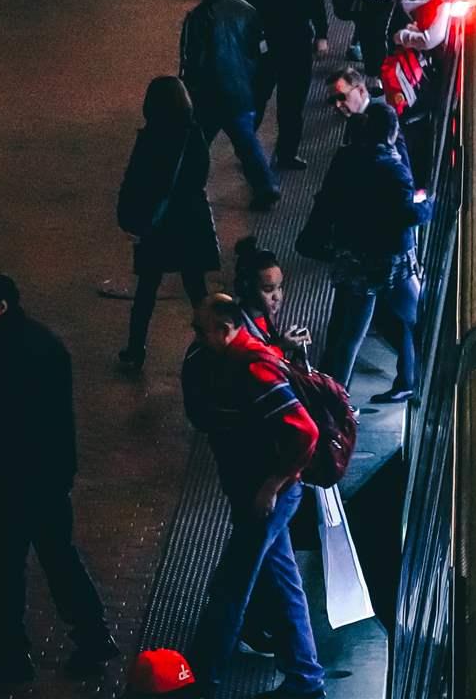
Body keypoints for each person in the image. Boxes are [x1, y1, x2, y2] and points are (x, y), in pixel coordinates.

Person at [0, 272, 119, 684]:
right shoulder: (44, 344)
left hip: (15, 482)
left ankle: (11, 656)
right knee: (60, 559)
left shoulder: (2, 356)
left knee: (5, 569)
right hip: (49, 478)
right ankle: (94, 637)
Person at [183, 275, 327, 697]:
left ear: (225, 329)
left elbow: (306, 433)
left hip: (266, 496)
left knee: (231, 586)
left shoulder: (253, 367)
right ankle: (306, 677)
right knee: (283, 581)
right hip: (253, 491)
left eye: (200, 329)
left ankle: (202, 679)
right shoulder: (230, 359)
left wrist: (270, 487)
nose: (195, 336)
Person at [300, 103, 431, 401]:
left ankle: (336, 396)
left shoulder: (346, 157)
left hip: (352, 257)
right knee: (416, 317)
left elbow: (330, 198)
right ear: (392, 132)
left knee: (348, 334)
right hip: (390, 263)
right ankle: (408, 380)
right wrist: (428, 205)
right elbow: (407, 213)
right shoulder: (392, 168)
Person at [116, 77, 219, 371]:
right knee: (196, 288)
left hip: (158, 224)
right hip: (190, 221)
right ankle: (214, 343)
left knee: (146, 289)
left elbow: (135, 179)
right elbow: (200, 176)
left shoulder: (151, 137)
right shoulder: (194, 134)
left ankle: (136, 350)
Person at [180, 0, 282, 209]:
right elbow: (261, 50)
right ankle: (266, 186)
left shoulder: (196, 18)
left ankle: (189, 191)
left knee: (196, 145)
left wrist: (187, 91)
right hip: (240, 91)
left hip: (208, 95)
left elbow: (190, 61)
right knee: (246, 143)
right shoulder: (246, 10)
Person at [234, 0, 329, 171]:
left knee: (292, 104)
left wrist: (321, 33)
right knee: (257, 99)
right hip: (265, 42)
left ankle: (286, 153)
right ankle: (248, 150)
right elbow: (239, 0)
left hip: (296, 42)